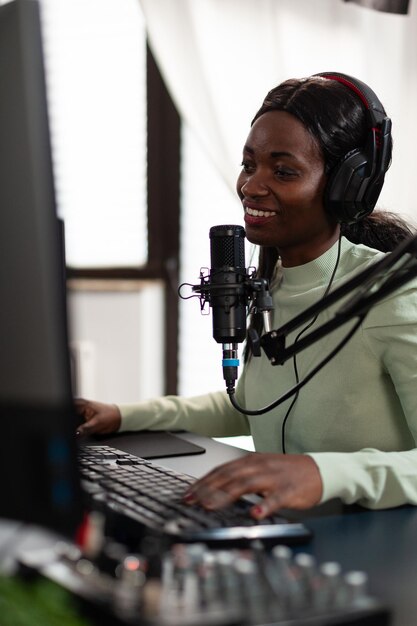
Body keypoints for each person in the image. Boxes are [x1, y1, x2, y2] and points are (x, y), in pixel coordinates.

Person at [76, 72, 417, 520]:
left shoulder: (394, 293)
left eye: (283, 171)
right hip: (288, 535)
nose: (251, 186)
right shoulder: (272, 284)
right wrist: (123, 415)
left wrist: (319, 474)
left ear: (345, 186)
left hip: (378, 550)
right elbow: (252, 402)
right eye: (249, 163)